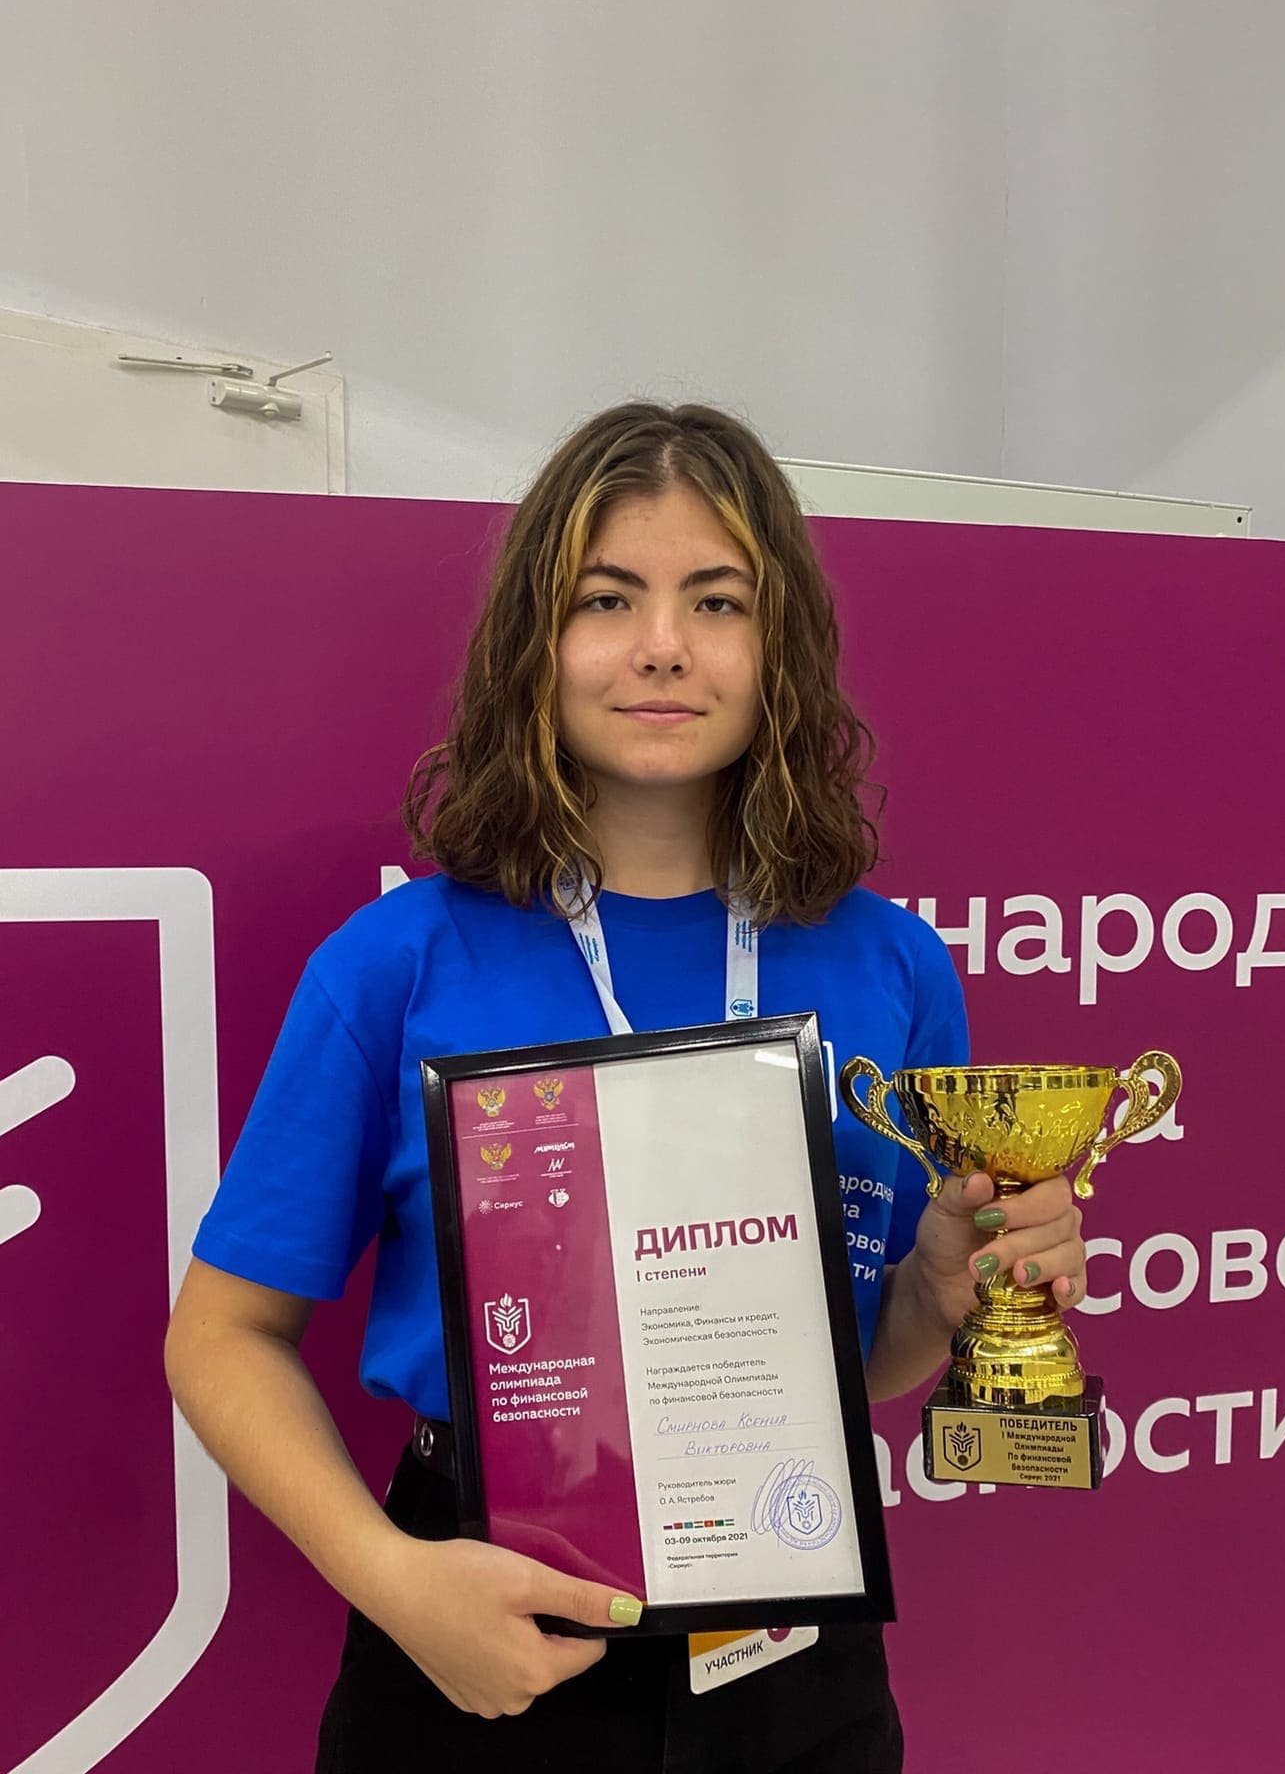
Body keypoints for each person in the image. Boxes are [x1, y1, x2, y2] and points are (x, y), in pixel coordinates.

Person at [164, 401, 1086, 1772]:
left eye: (718, 601)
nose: (663, 644)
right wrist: (395, 1581)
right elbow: (221, 1337)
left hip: (792, 1637)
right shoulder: (398, 963)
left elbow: (867, 1361)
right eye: (607, 599)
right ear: (535, 644)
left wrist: (940, 1292)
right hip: (477, 1618)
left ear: (782, 648)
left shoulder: (891, 968)